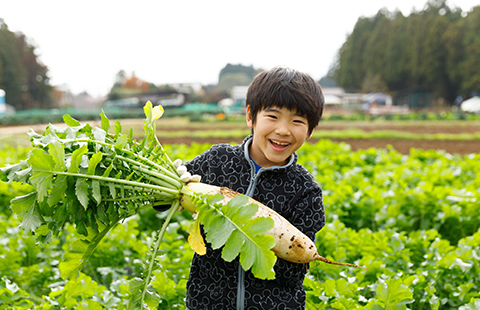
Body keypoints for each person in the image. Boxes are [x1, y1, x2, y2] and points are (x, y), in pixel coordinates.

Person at [183, 66, 325, 310]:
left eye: (297, 121)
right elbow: (166, 199)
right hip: (207, 301)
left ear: (310, 130)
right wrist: (175, 180)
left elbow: (293, 272)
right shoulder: (217, 161)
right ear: (251, 116)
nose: (282, 129)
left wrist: (249, 237)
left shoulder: (305, 191)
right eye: (272, 116)